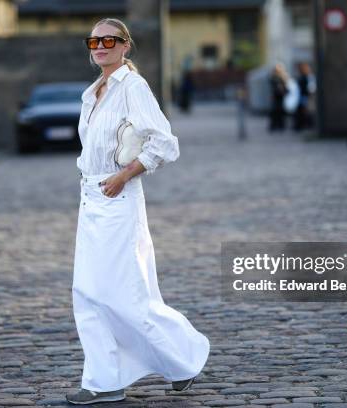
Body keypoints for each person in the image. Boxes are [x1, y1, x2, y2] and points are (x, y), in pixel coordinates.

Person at [66, 18, 211, 405]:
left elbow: (165, 144)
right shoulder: (93, 91)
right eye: (93, 41)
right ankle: (105, 381)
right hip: (91, 197)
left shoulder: (133, 87)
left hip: (118, 197)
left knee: (123, 296)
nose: (100, 46)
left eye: (109, 40)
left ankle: (182, 360)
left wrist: (124, 174)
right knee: (88, 292)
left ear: (125, 45)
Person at [293, 62, 316, 131]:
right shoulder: (301, 76)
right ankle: (301, 125)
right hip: (301, 96)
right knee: (302, 111)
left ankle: (306, 125)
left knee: (306, 111)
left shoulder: (308, 77)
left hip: (305, 96)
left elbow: (311, 87)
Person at [269, 63, 289, 132]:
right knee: (275, 111)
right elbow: (273, 85)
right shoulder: (274, 77)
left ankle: (280, 126)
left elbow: (285, 86)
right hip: (276, 96)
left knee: (280, 111)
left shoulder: (282, 77)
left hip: (281, 96)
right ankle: (275, 126)